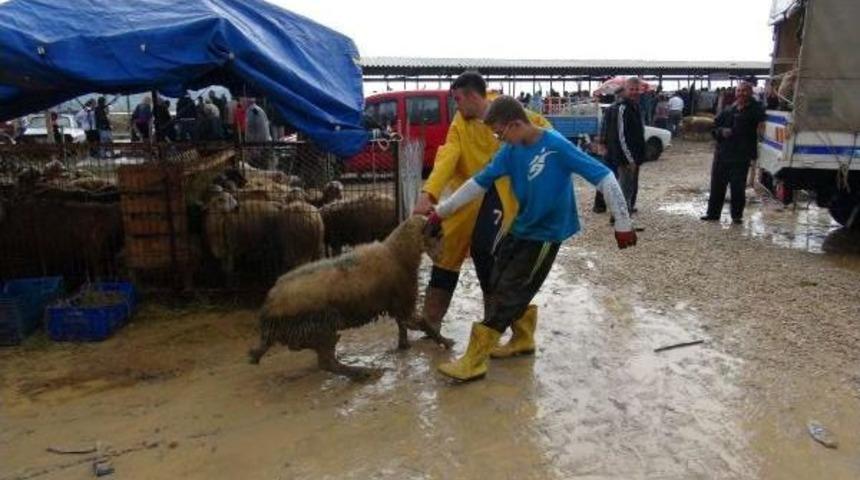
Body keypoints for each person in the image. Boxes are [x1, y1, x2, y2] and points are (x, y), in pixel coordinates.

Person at [426, 96, 637, 381]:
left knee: (510, 292)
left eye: (501, 133)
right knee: (498, 279)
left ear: (515, 124)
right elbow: (477, 183)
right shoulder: (510, 152)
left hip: (547, 233)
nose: (499, 139)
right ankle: (523, 339)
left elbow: (605, 177)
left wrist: (623, 223)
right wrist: (441, 211)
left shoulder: (556, 145)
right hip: (522, 226)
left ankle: (475, 360)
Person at [411, 72, 552, 347]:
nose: (456, 107)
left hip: (503, 195)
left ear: (473, 96)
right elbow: (447, 157)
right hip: (469, 195)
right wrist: (428, 193)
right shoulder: (459, 124)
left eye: (458, 99)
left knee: (487, 252)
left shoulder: (506, 109)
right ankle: (430, 323)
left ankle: (496, 326)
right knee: (446, 251)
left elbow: (545, 133)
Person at [701, 82, 766, 224]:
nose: (741, 93)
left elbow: (761, 128)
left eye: (744, 91)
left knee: (737, 187)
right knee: (717, 185)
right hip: (722, 153)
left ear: (750, 93)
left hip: (741, 155)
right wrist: (721, 132)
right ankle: (713, 214)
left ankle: (736, 216)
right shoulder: (729, 108)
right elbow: (715, 125)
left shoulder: (756, 109)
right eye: (738, 91)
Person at [604, 78, 646, 213]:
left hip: (634, 156)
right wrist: (630, 159)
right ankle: (619, 217)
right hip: (625, 157)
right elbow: (621, 136)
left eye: (636, 89)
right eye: (631, 89)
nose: (634, 92)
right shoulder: (622, 108)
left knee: (629, 187)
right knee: (624, 186)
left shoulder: (635, 106)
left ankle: (625, 212)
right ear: (625, 90)